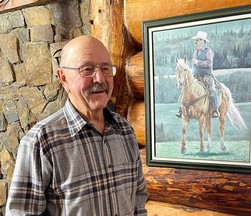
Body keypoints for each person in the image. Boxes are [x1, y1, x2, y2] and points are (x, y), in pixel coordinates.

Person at [6, 35, 148, 216]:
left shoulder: (125, 131)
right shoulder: (41, 141)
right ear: (63, 78)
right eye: (87, 69)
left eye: (105, 68)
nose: (100, 79)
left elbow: (138, 200)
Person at [175, 31, 219, 118]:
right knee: (185, 88)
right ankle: (181, 109)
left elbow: (209, 63)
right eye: (197, 40)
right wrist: (192, 75)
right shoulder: (195, 53)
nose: (197, 42)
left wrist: (198, 62)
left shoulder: (208, 51)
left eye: (199, 40)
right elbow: (193, 66)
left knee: (211, 88)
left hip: (207, 75)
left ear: (203, 41)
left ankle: (215, 110)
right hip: (196, 75)